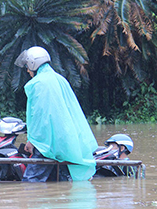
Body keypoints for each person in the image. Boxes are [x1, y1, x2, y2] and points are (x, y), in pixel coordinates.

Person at [14, 46, 98, 182]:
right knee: (59, 181)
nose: (28, 71)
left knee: (30, 182)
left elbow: (39, 117)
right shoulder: (60, 79)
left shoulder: (38, 83)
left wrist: (32, 141)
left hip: (47, 143)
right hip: (65, 141)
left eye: (27, 67)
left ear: (32, 63)